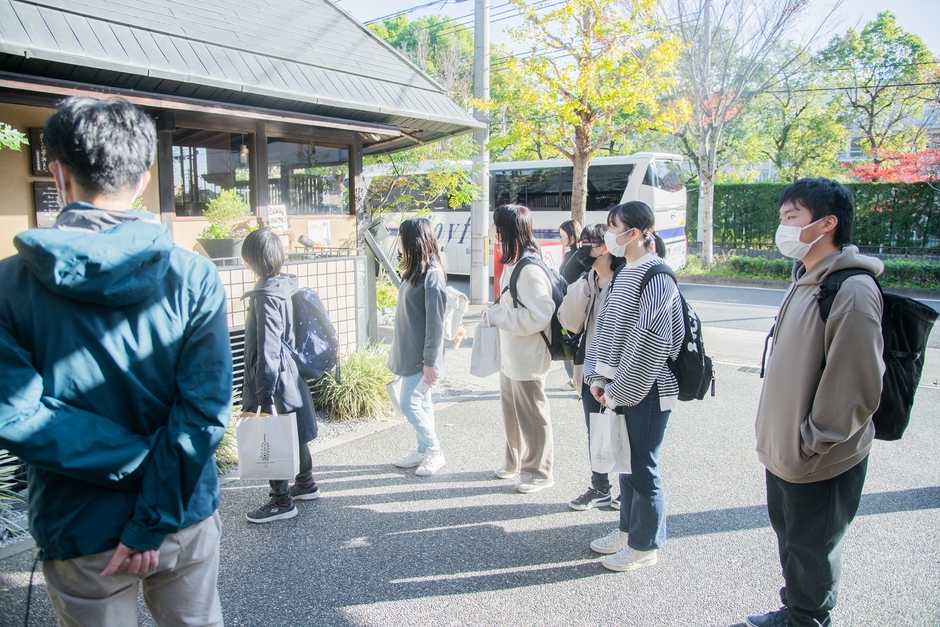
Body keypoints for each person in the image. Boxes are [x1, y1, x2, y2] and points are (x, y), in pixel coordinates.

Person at [0, 97, 230, 626]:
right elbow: (204, 413)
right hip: (181, 514)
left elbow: (15, 415)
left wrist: (135, 473)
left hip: (80, 525)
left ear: (57, 173)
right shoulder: (192, 277)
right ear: (145, 178)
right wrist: (152, 510)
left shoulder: (11, 285)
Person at [745, 179, 883, 627]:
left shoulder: (852, 290)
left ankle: (808, 619)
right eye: (782, 217)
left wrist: (812, 441)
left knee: (813, 549)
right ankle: (796, 610)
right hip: (786, 451)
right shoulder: (806, 280)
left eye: (791, 218)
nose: (782, 228)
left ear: (828, 224)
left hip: (819, 457)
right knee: (794, 543)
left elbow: (855, 386)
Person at [583, 201, 684, 572]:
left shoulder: (656, 275)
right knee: (625, 463)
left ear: (635, 233)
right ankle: (627, 530)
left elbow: (651, 342)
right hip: (620, 387)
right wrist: (597, 378)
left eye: (614, 226)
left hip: (649, 388)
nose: (609, 233)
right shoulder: (627, 270)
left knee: (642, 466)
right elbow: (605, 328)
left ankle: (645, 544)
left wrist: (617, 389)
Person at [242, 228, 321, 523]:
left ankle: (281, 500)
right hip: (291, 374)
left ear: (250, 260)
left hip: (273, 377)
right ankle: (305, 482)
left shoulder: (265, 296)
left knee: (271, 434)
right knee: (293, 429)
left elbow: (267, 349)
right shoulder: (285, 287)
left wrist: (263, 395)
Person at [486, 204, 556, 494]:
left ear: (505, 230)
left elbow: (542, 314)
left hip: (528, 357)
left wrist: (499, 316)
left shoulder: (528, 268)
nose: (490, 230)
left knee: (532, 417)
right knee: (512, 413)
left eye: (494, 225)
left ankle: (539, 473)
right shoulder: (514, 261)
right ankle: (514, 462)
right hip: (513, 354)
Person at [557, 224, 625, 511]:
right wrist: (585, 282)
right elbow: (569, 320)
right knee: (595, 428)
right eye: (581, 242)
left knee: (622, 429)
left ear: (607, 247)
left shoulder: (625, 281)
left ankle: (627, 488)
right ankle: (601, 487)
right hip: (589, 366)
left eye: (591, 244)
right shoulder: (587, 280)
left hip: (620, 368)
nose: (584, 248)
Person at [388, 218, 448, 476]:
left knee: (409, 404)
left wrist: (430, 362)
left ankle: (434, 451)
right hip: (411, 353)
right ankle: (424, 450)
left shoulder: (432, 276)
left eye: (401, 237)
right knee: (421, 404)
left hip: (422, 358)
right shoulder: (416, 272)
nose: (398, 242)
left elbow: (435, 325)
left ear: (412, 241)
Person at [557, 219, 583, 389]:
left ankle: (576, 378)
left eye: (563, 236)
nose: (561, 240)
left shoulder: (581, 255)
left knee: (573, 341)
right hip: (565, 303)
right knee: (566, 340)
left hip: (576, 304)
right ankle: (573, 378)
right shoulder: (568, 254)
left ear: (573, 235)